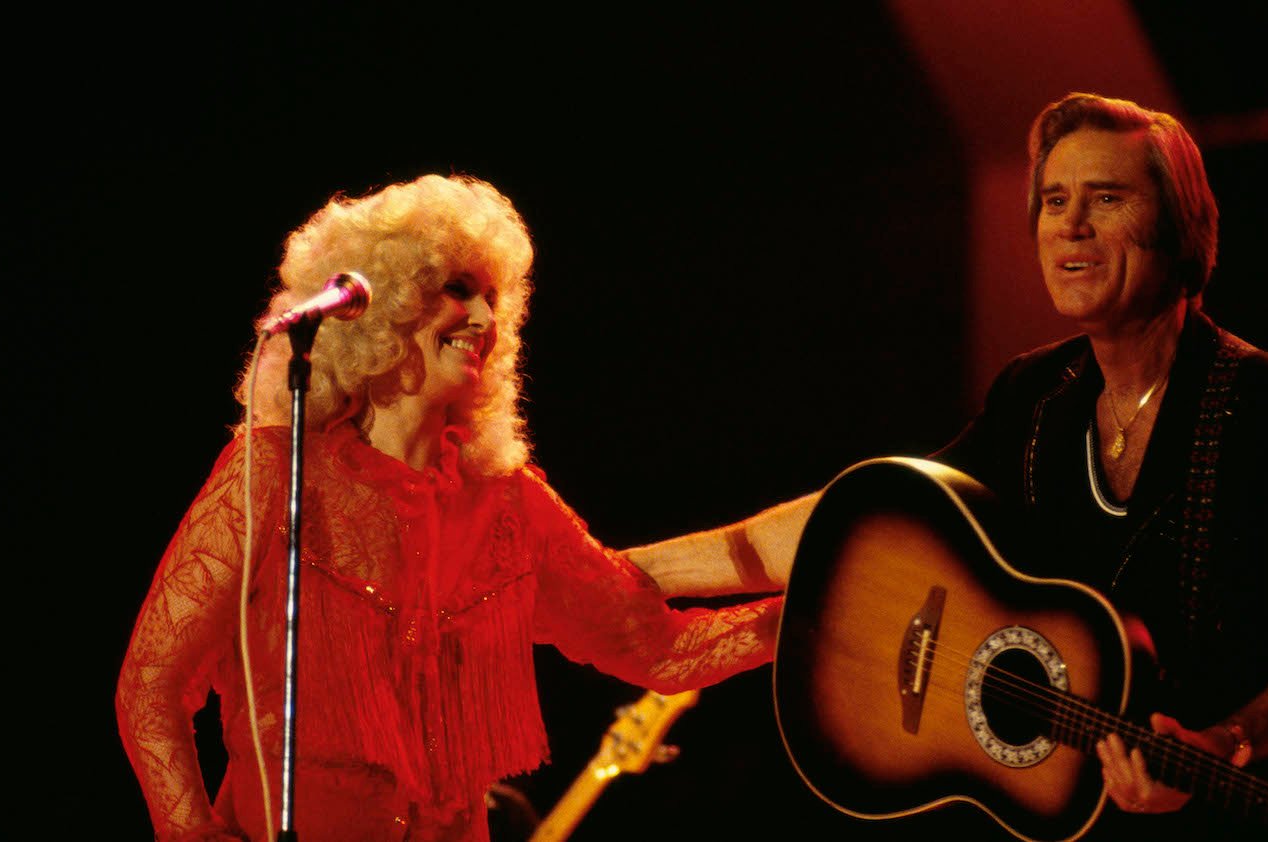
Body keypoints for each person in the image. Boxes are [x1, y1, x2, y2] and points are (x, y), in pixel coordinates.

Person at [627, 93, 1268, 837]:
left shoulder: (1256, 405)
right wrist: (630, 574)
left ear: (1178, 223)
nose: (1071, 224)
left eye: (1107, 198)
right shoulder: (1036, 396)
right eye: (1055, 200)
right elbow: (858, 524)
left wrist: (1229, 741)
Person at [116, 174, 781, 842]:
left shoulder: (509, 502)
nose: (486, 321)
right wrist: (190, 833)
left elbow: (655, 650)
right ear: (379, 306)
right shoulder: (273, 475)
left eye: (494, 300)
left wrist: (805, 619)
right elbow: (151, 683)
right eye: (458, 289)